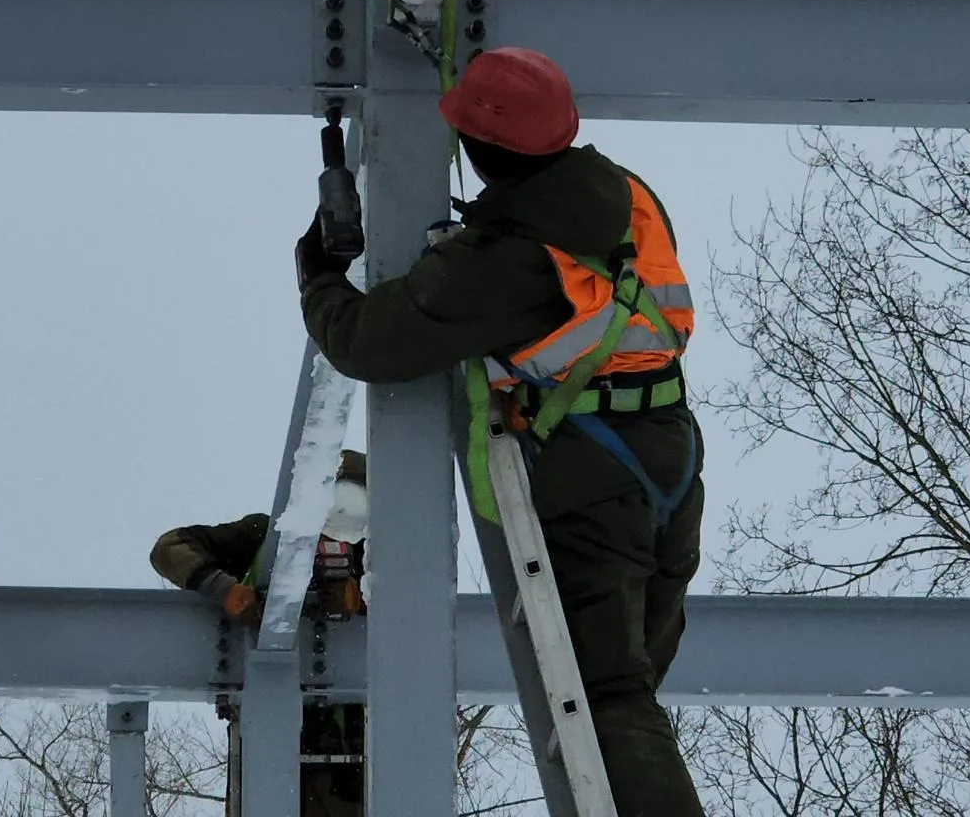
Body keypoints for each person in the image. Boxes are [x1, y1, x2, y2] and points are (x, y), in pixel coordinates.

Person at [293, 47, 706, 816]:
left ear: (480, 149)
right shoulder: (626, 190)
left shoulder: (508, 261)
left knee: (607, 695)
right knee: (630, 686)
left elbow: (366, 342)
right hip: (671, 449)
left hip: (595, 468)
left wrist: (316, 269)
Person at [148, 449, 370, 817]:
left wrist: (362, 600)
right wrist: (225, 589)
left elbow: (415, 622)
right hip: (266, 723)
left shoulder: (376, 556)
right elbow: (169, 548)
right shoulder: (264, 539)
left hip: (357, 737)